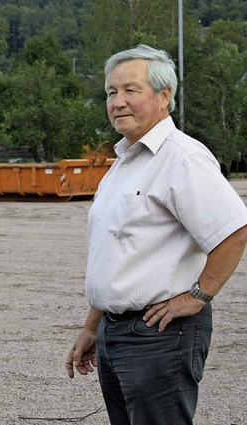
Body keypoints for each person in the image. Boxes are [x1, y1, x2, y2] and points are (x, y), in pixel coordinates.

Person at [65, 44, 247, 424]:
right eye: (111, 92)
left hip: (160, 334)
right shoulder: (123, 164)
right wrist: (91, 328)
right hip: (114, 334)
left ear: (164, 96)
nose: (118, 102)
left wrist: (197, 297)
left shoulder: (182, 158)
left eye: (131, 90)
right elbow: (116, 253)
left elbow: (234, 230)